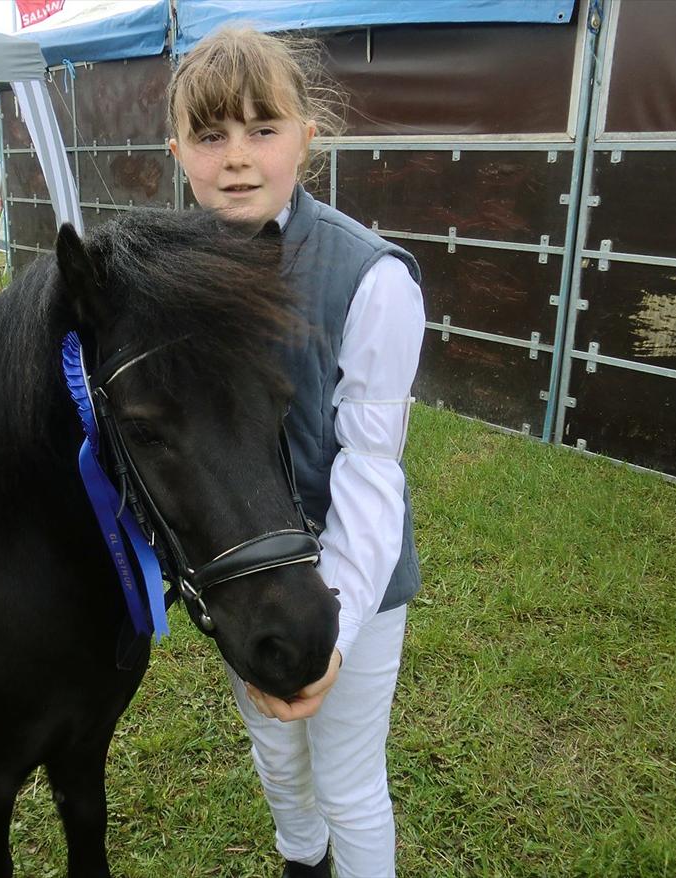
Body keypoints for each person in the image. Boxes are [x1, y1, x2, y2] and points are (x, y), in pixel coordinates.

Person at [167, 27, 425, 878]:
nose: (237, 158)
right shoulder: (173, 271)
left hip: (350, 576)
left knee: (348, 783)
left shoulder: (371, 279)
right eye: (211, 136)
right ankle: (299, 864)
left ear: (307, 138)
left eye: (261, 129)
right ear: (179, 151)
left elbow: (369, 464)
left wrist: (339, 629)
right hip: (246, 577)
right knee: (279, 758)